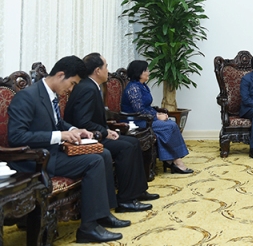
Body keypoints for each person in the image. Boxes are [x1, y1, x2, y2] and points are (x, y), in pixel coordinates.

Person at [7, 56, 127, 243]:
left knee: (103, 153)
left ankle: (102, 215)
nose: (71, 89)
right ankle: (88, 229)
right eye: (72, 83)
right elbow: (16, 137)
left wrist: (74, 130)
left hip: (53, 153)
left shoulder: (49, 93)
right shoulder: (27, 97)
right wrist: (59, 136)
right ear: (60, 75)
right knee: (94, 161)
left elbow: (57, 122)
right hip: (36, 160)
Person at [64, 53, 158, 213]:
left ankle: (137, 191)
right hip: (85, 138)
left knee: (133, 142)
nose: (108, 70)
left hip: (95, 133)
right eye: (106, 66)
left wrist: (106, 130)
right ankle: (126, 200)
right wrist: (104, 132)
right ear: (97, 70)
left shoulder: (91, 86)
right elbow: (82, 122)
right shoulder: (87, 88)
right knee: (127, 147)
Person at [121, 60, 193, 174]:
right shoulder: (133, 88)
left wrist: (158, 114)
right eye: (146, 70)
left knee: (169, 124)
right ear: (139, 72)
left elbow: (147, 107)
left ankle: (171, 160)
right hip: (136, 121)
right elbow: (139, 110)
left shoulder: (143, 86)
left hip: (145, 118)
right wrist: (156, 116)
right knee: (169, 126)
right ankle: (176, 161)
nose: (148, 72)